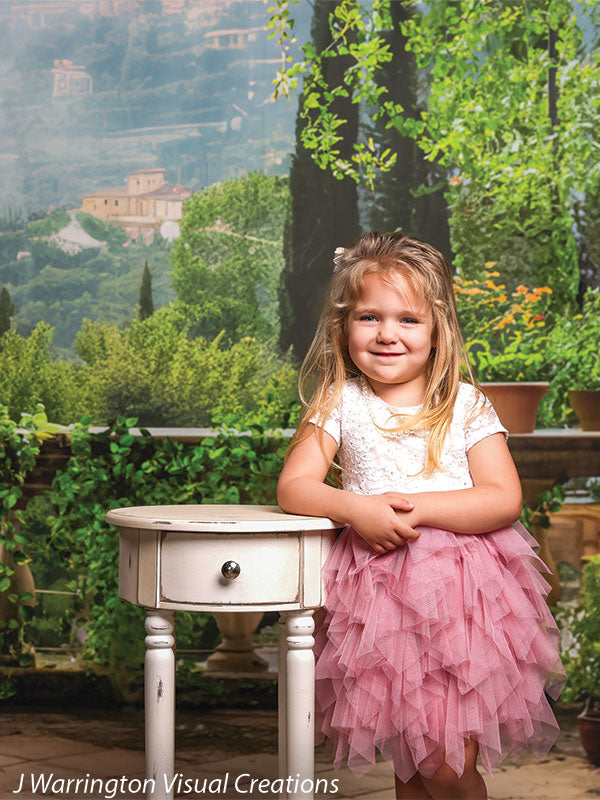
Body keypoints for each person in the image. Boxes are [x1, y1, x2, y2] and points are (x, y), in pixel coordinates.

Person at [277, 232, 567, 800]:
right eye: (369, 317)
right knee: (410, 765)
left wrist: (413, 509)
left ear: (437, 331)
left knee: (447, 764)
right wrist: (355, 508)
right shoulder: (340, 402)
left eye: (408, 319)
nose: (387, 333)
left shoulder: (463, 404)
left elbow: (503, 497)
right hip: (379, 610)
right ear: (343, 327)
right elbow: (294, 486)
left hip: (464, 608)